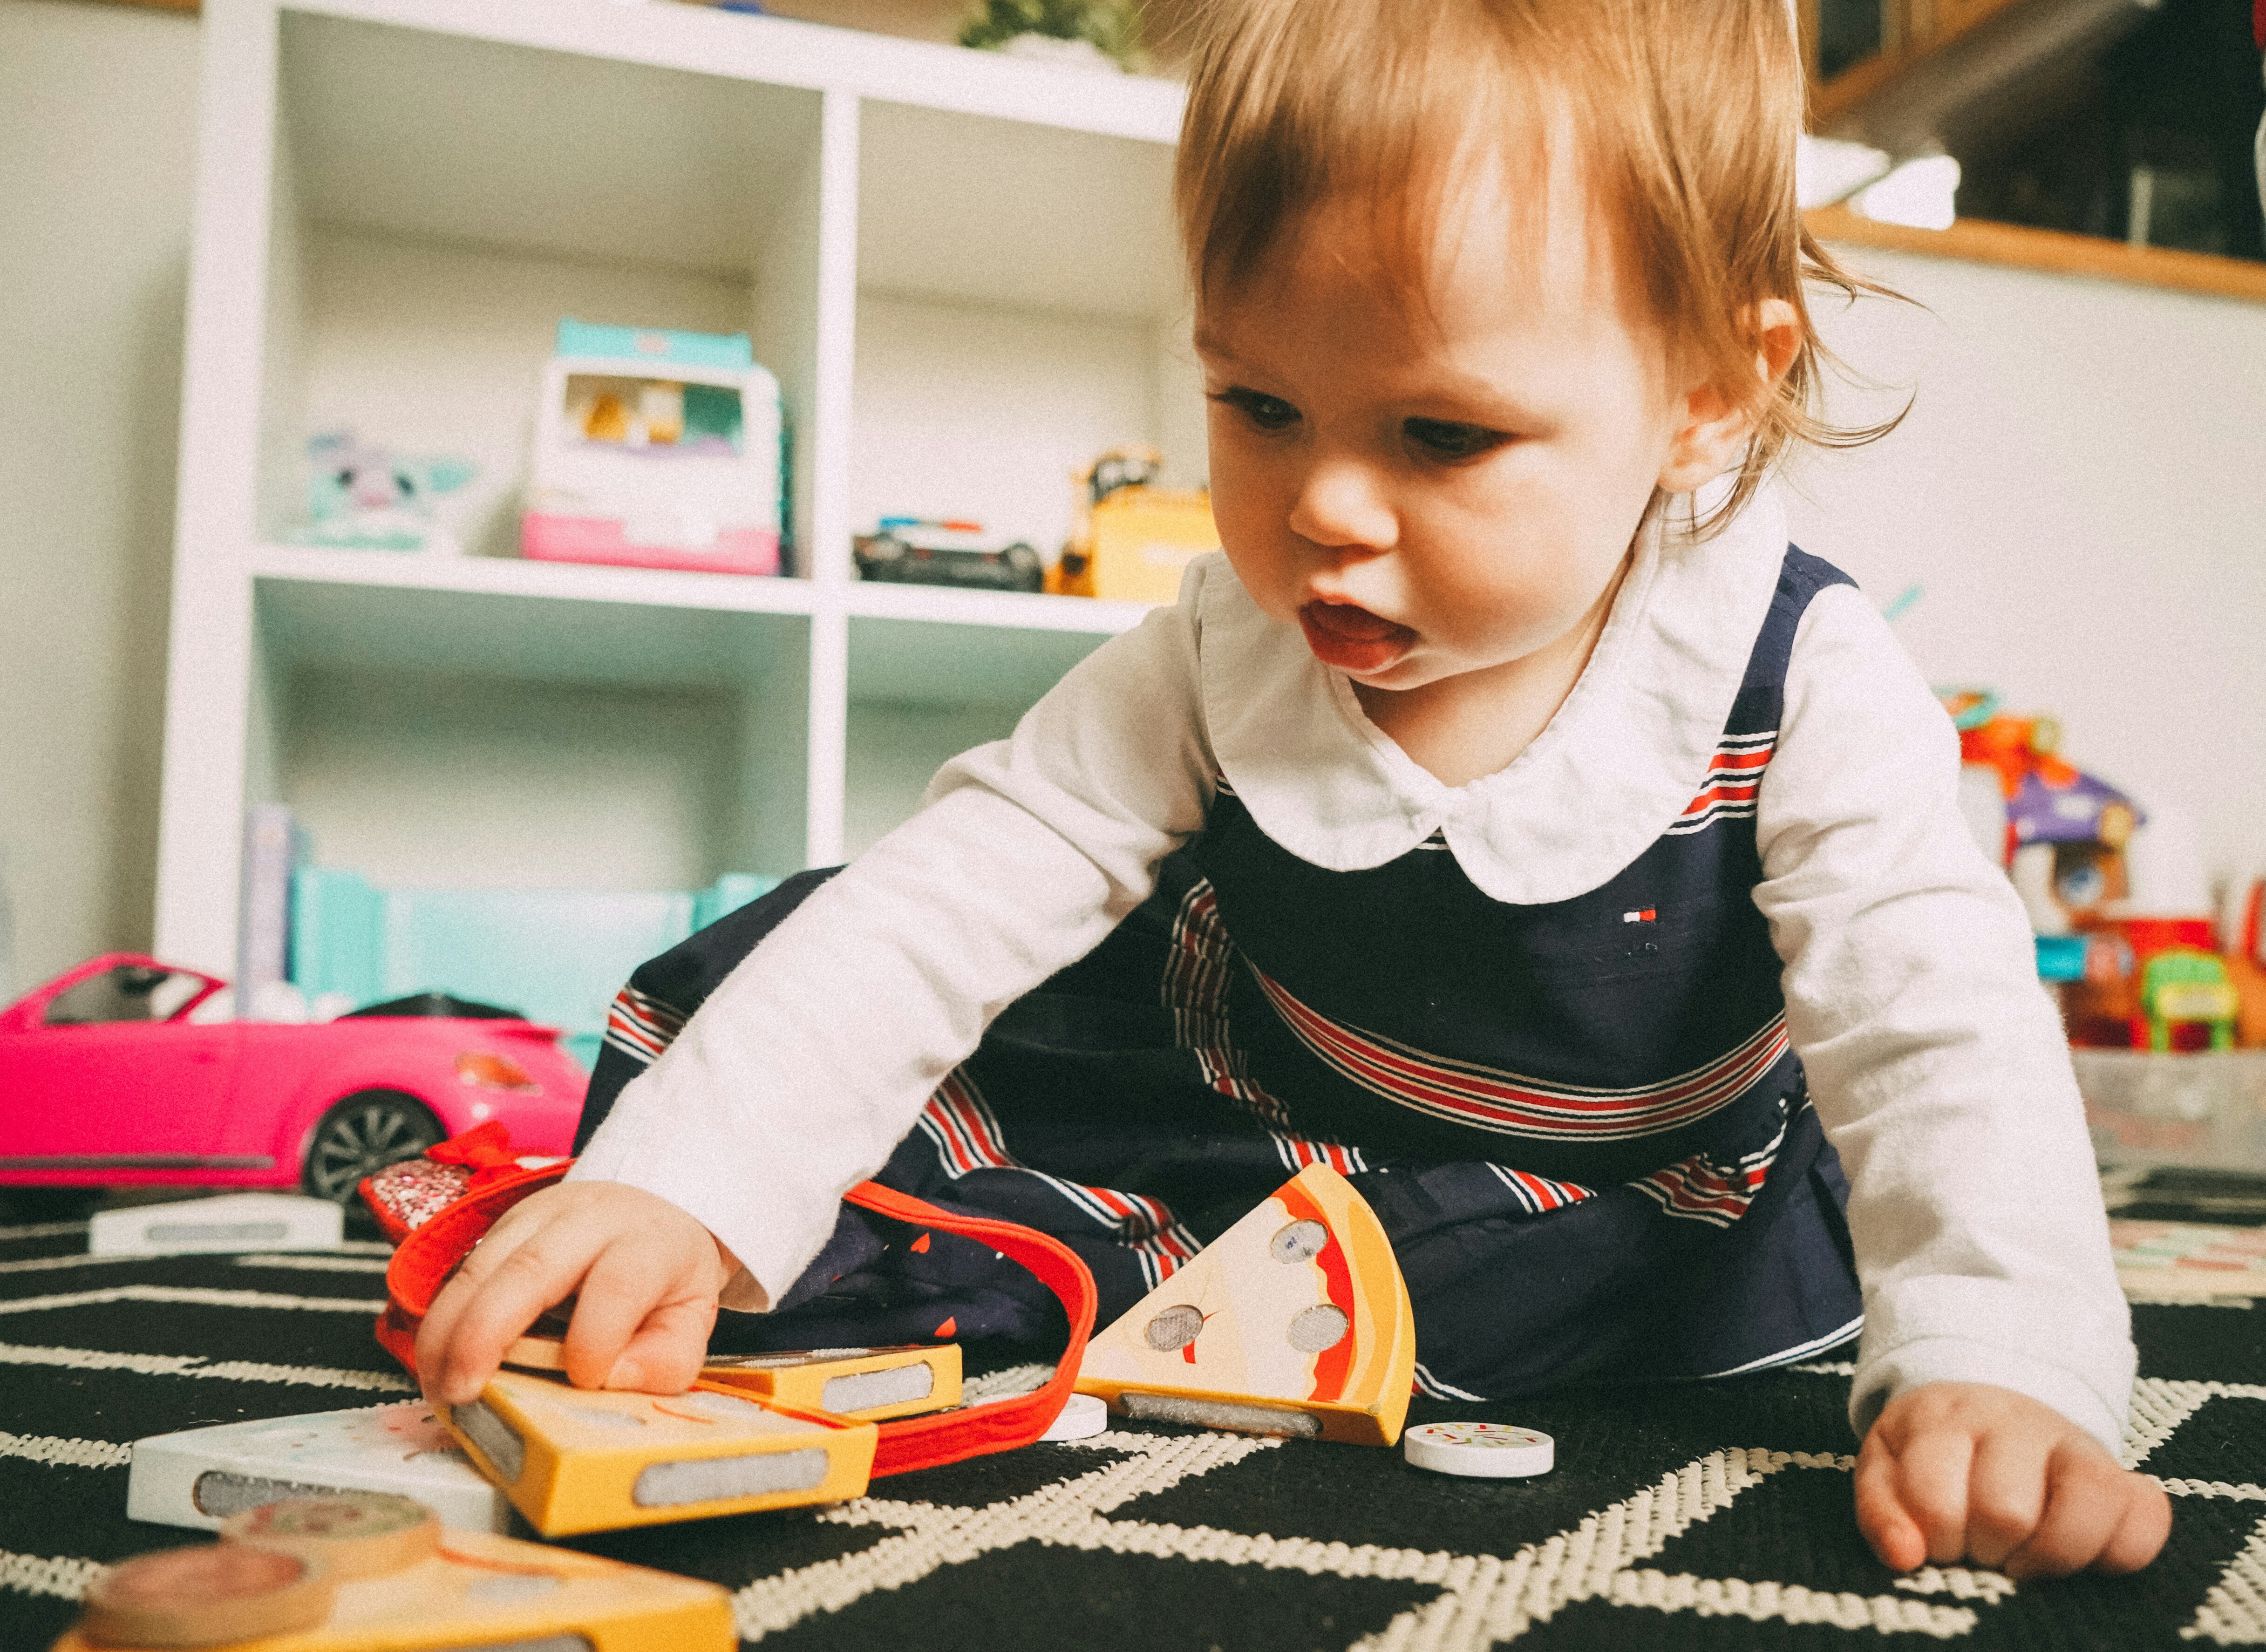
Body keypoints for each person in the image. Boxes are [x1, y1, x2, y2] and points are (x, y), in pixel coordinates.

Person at [416, 0, 2171, 1581]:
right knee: (825, 1028)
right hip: (1274, 1106)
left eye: (1440, 435)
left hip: (1625, 1191)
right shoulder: (1220, 644)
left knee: (1462, 1297)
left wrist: (2004, 1360)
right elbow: (958, 883)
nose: (1324, 508)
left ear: (1710, 395)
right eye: (1258, 404)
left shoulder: (1793, 670)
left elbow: (1935, 1016)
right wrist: (695, 1184)